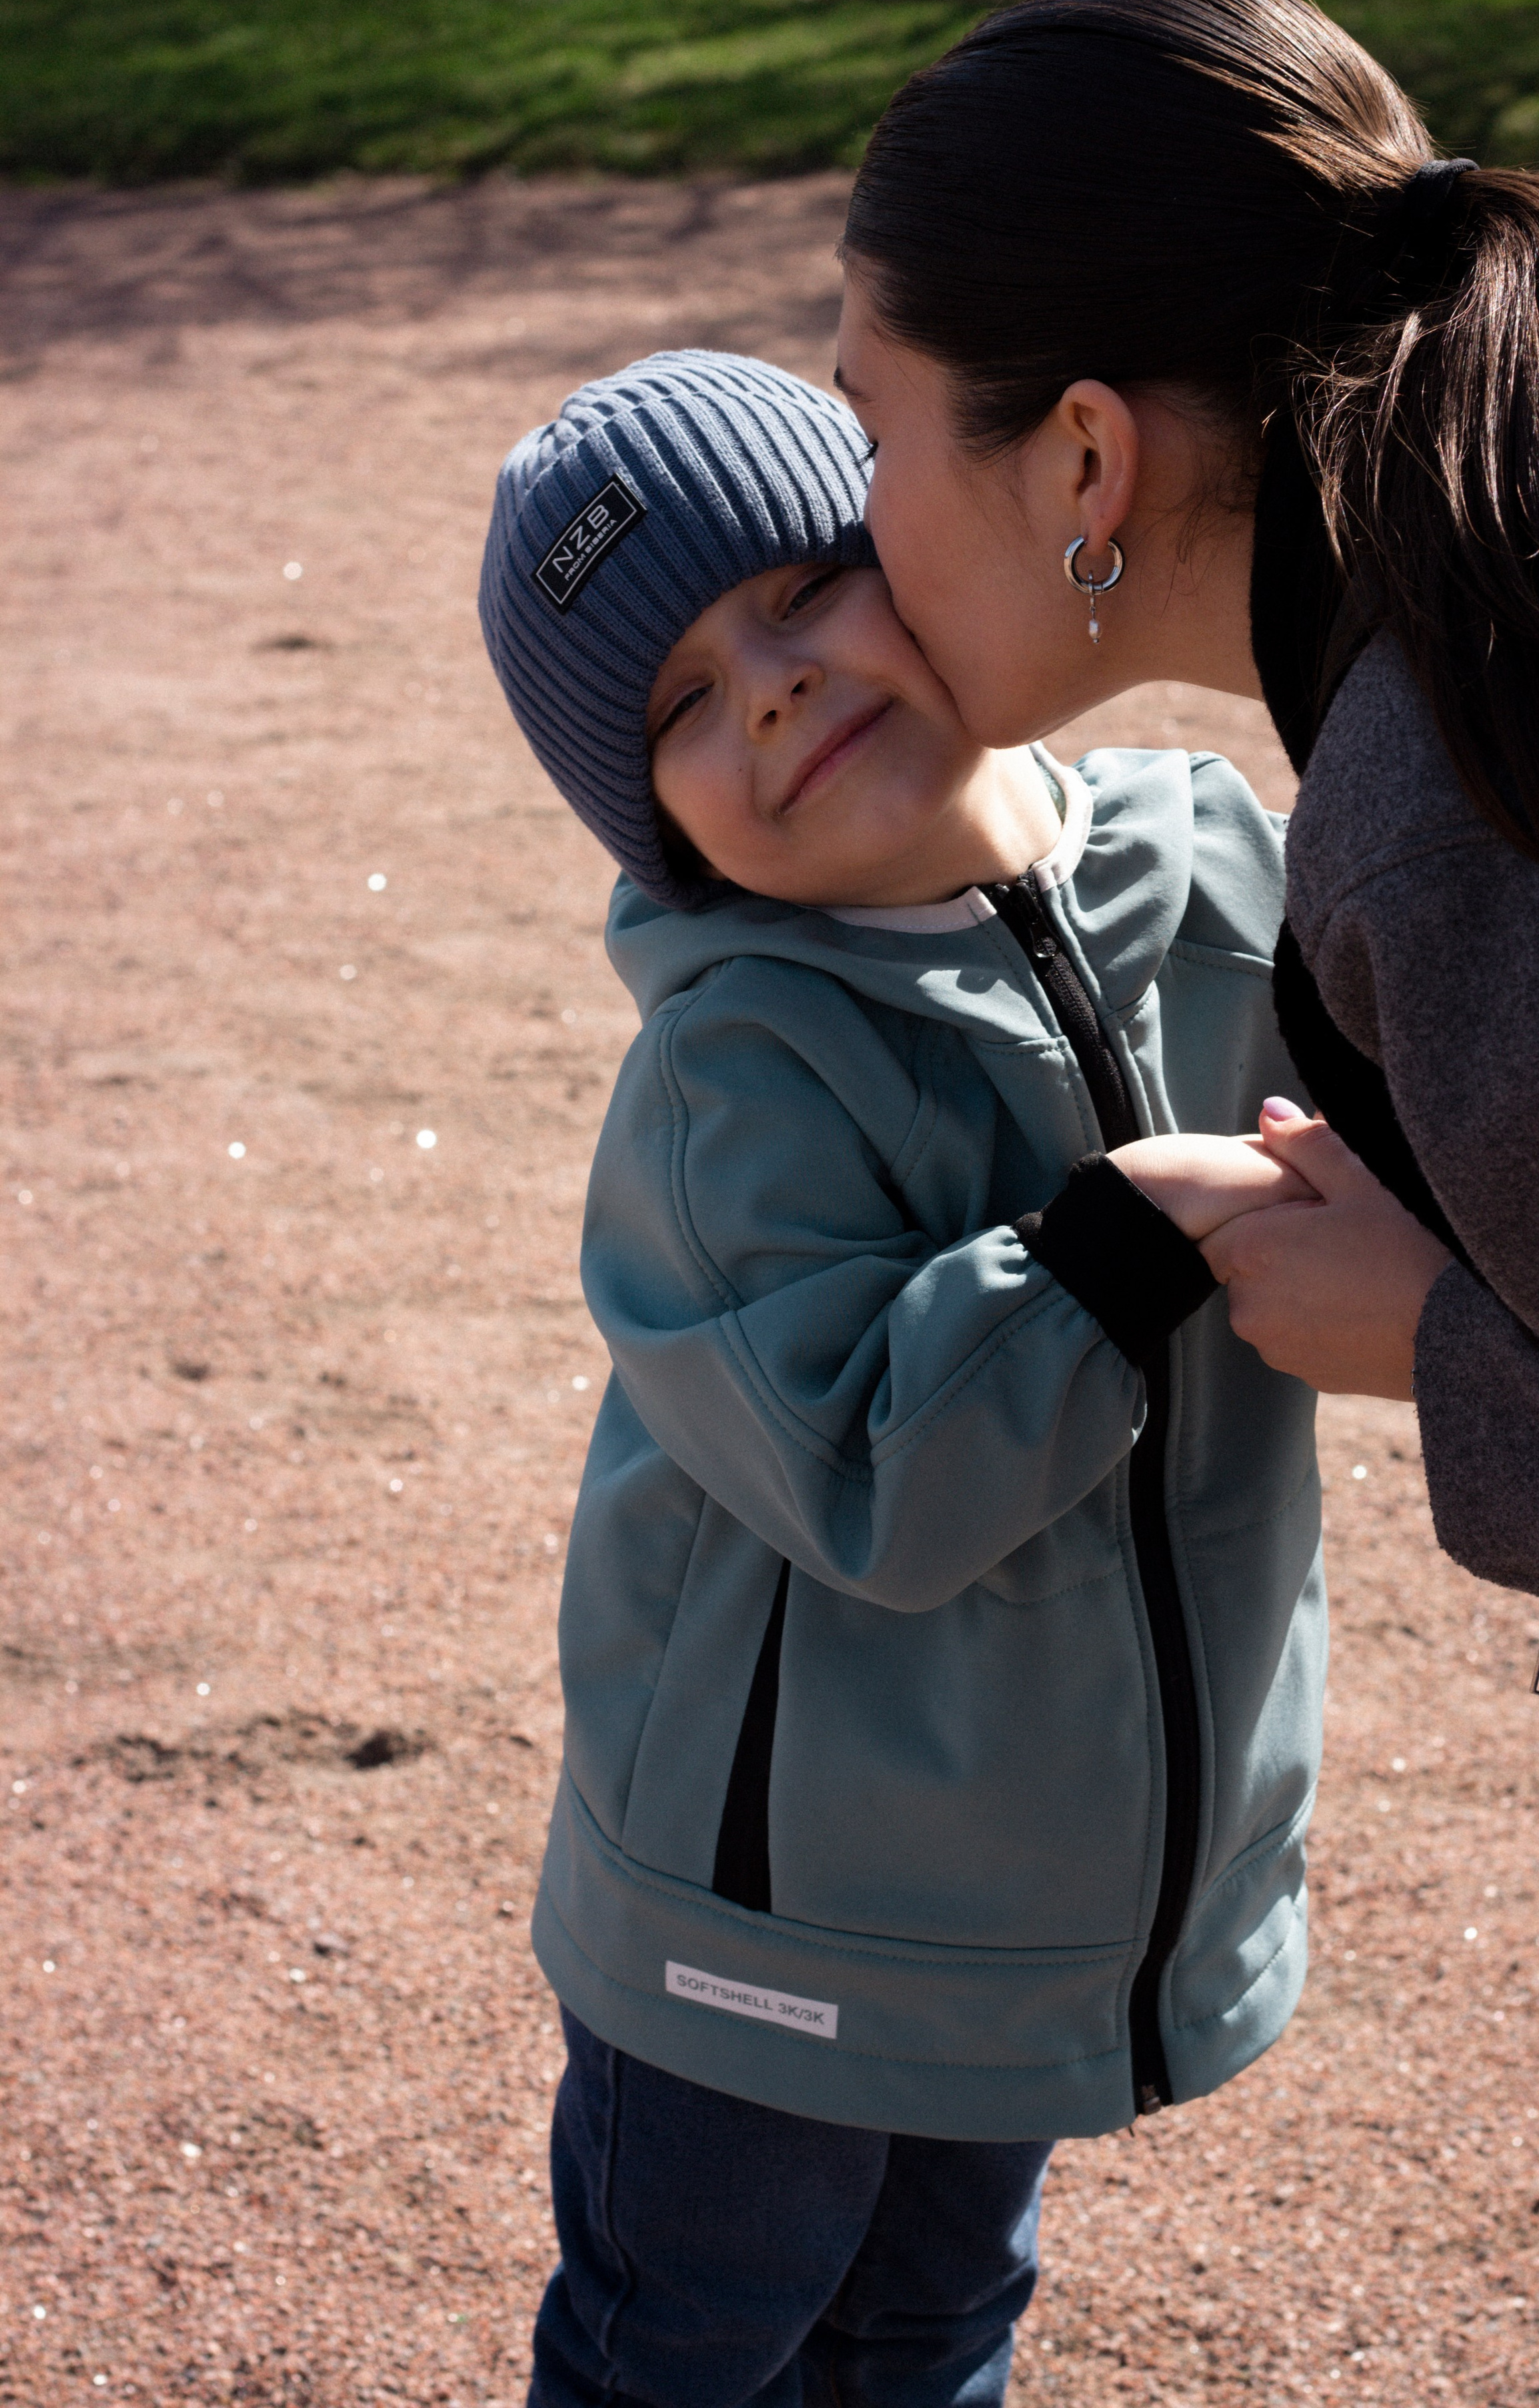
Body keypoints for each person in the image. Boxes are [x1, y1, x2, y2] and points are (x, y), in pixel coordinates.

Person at [479, 347, 1327, 2407]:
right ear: (660, 831)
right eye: (680, 705)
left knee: (940, 2325)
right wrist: (1114, 1242)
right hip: (760, 1930)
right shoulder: (730, 1073)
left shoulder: (1211, 861)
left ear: (923, 553)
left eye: (796, 590)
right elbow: (871, 1473)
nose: (764, 685)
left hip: (1032, 1887)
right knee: (685, 2340)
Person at [835, 0, 1539, 1672]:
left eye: (872, 424)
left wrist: (1441, 1341)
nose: (859, 528)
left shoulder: (1456, 798)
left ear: (1085, 461)